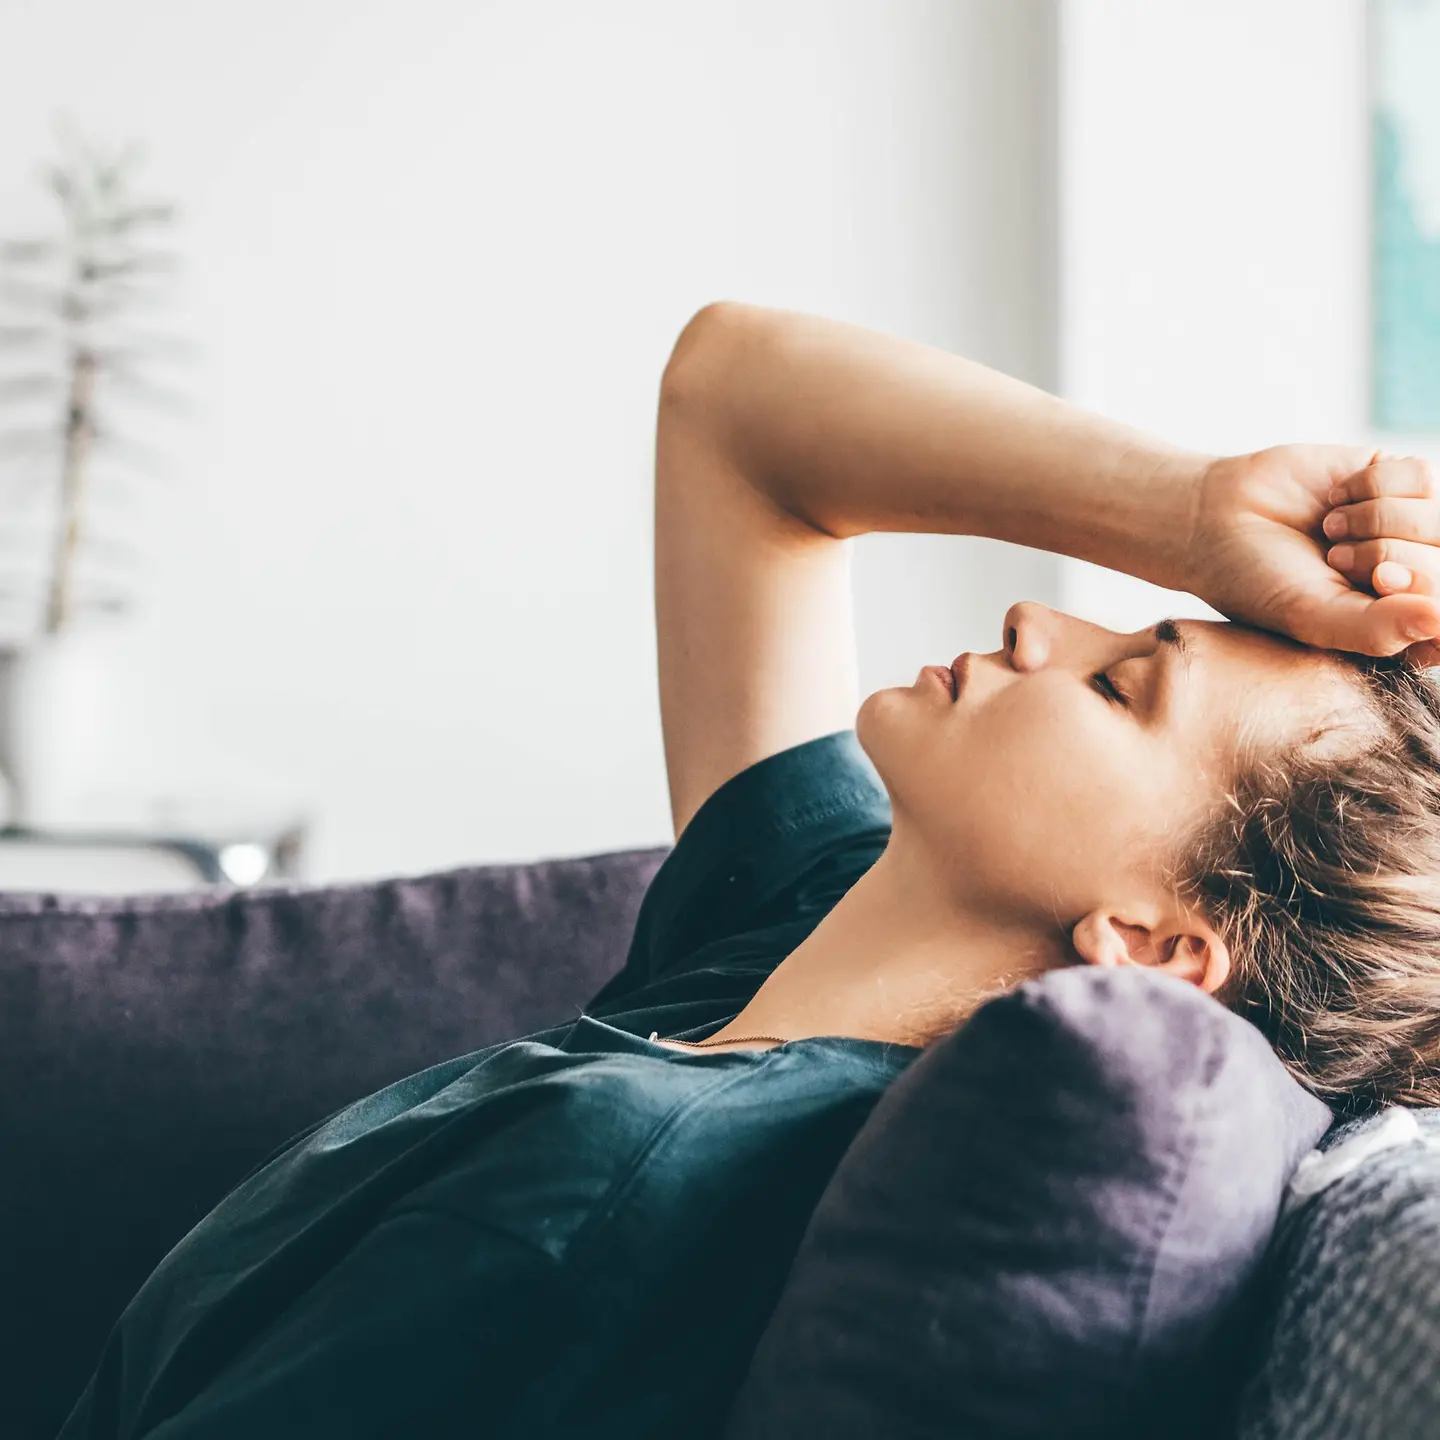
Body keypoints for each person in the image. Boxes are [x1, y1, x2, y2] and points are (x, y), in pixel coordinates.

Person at [60, 305, 1440, 1439]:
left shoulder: (625, 1180)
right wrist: (1195, 514)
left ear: (1149, 943)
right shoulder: (801, 926)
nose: (1042, 617)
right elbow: (736, 404)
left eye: (1127, 685)